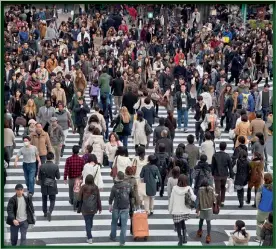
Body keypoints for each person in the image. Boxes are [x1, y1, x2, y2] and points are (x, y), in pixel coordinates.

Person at [109, 171, 135, 246]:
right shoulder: (128, 186)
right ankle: (122, 241)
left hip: (116, 207)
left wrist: (110, 205)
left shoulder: (114, 187)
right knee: (124, 225)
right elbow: (132, 195)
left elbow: (111, 198)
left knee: (114, 222)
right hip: (125, 207)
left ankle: (113, 236)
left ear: (117, 177)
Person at [169, 174, 196, 245]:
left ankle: (180, 239)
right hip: (185, 210)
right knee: (183, 223)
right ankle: (185, 238)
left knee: (178, 225)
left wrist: (170, 210)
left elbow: (171, 200)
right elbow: (194, 198)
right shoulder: (188, 188)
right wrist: (191, 194)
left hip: (176, 210)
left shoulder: (174, 189)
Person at [78, 174, 102, 244]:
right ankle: (89, 231)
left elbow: (79, 198)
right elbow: (98, 199)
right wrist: (100, 208)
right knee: (90, 220)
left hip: (85, 208)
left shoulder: (83, 187)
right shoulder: (95, 187)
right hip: (93, 208)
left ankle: (89, 237)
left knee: (87, 222)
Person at [38, 152, 60, 221]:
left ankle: (44, 212)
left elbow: (39, 177)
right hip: (52, 184)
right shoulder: (55, 166)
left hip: (44, 184)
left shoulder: (42, 166)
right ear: (53, 158)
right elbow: (58, 177)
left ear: (46, 158)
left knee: (44, 199)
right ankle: (50, 211)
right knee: (52, 199)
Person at [211, 142, 234, 207]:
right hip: (225, 174)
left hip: (217, 174)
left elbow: (213, 166)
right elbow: (230, 166)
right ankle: (222, 201)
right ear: (225, 147)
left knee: (217, 189)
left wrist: (212, 173)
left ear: (219, 147)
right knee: (223, 187)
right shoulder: (227, 156)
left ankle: (218, 202)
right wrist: (231, 175)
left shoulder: (215, 155)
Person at [64, 145, 85, 210]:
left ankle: (72, 200)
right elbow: (82, 169)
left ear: (72, 151)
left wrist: (65, 178)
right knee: (77, 191)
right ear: (78, 152)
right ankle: (76, 203)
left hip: (71, 178)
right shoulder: (81, 160)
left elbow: (66, 169)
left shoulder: (68, 159)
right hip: (78, 178)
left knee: (70, 190)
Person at [196, 179, 216, 244]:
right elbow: (214, 199)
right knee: (208, 223)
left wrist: (197, 210)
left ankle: (200, 231)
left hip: (202, 208)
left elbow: (198, 200)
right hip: (209, 208)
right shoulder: (211, 189)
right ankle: (208, 236)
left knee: (201, 220)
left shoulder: (200, 190)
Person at [255, 173, 273, 242]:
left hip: (262, 209)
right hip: (271, 210)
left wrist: (258, 206)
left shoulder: (261, 187)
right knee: (271, 223)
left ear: (264, 179)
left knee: (259, 223)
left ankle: (259, 238)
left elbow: (258, 198)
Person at [124, 166, 139, 235]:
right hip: (131, 199)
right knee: (131, 215)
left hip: (123, 199)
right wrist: (137, 202)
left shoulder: (122, 179)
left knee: (123, 215)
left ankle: (122, 228)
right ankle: (132, 230)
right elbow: (135, 192)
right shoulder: (133, 180)